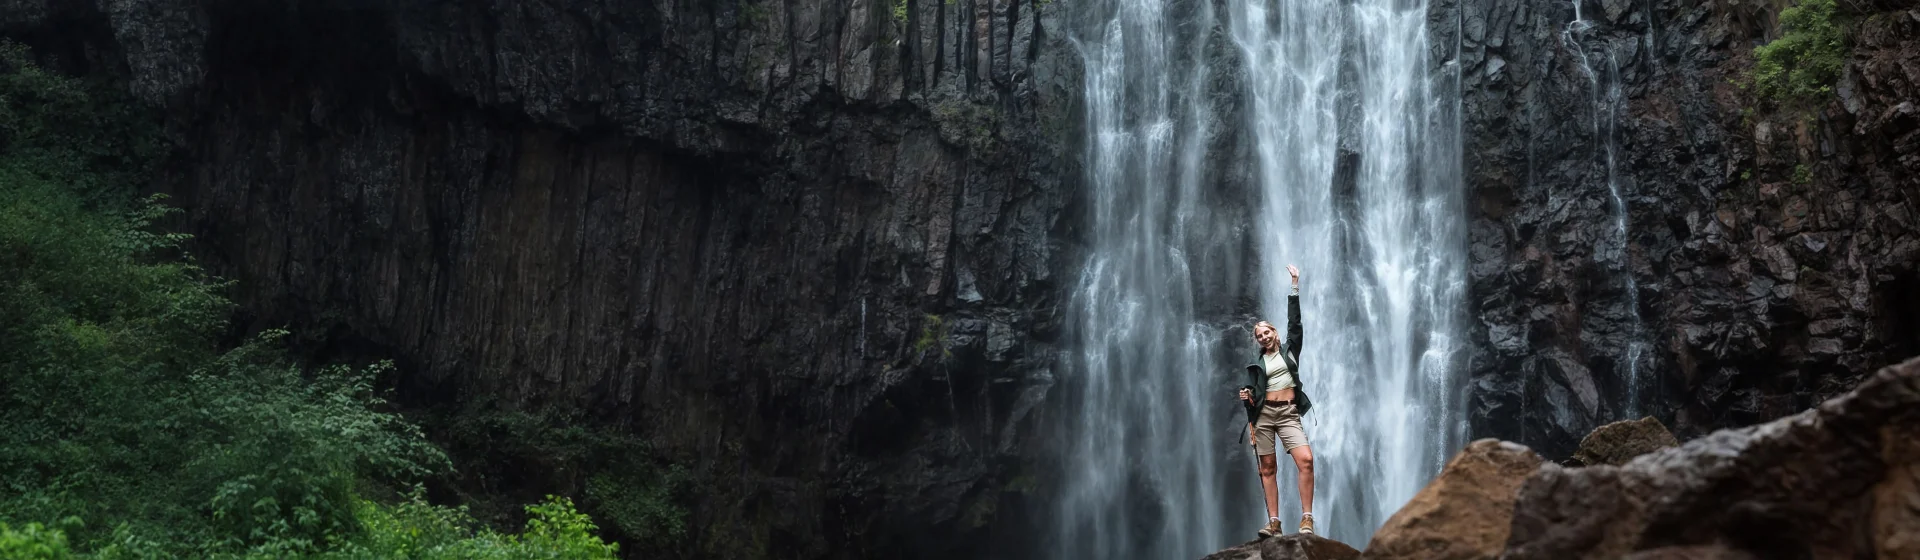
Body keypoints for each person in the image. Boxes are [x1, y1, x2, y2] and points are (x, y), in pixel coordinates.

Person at [1238, 264, 1314, 538]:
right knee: (1267, 468)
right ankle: (1274, 522)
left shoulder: (1290, 351)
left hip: (1289, 413)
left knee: (1305, 460)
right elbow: (1251, 392)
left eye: (1266, 332)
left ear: (1275, 333)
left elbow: (1296, 323)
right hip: (1264, 416)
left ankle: (1307, 519)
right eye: (1258, 336)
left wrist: (1294, 285)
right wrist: (1247, 396)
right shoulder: (1256, 364)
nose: (1263, 336)